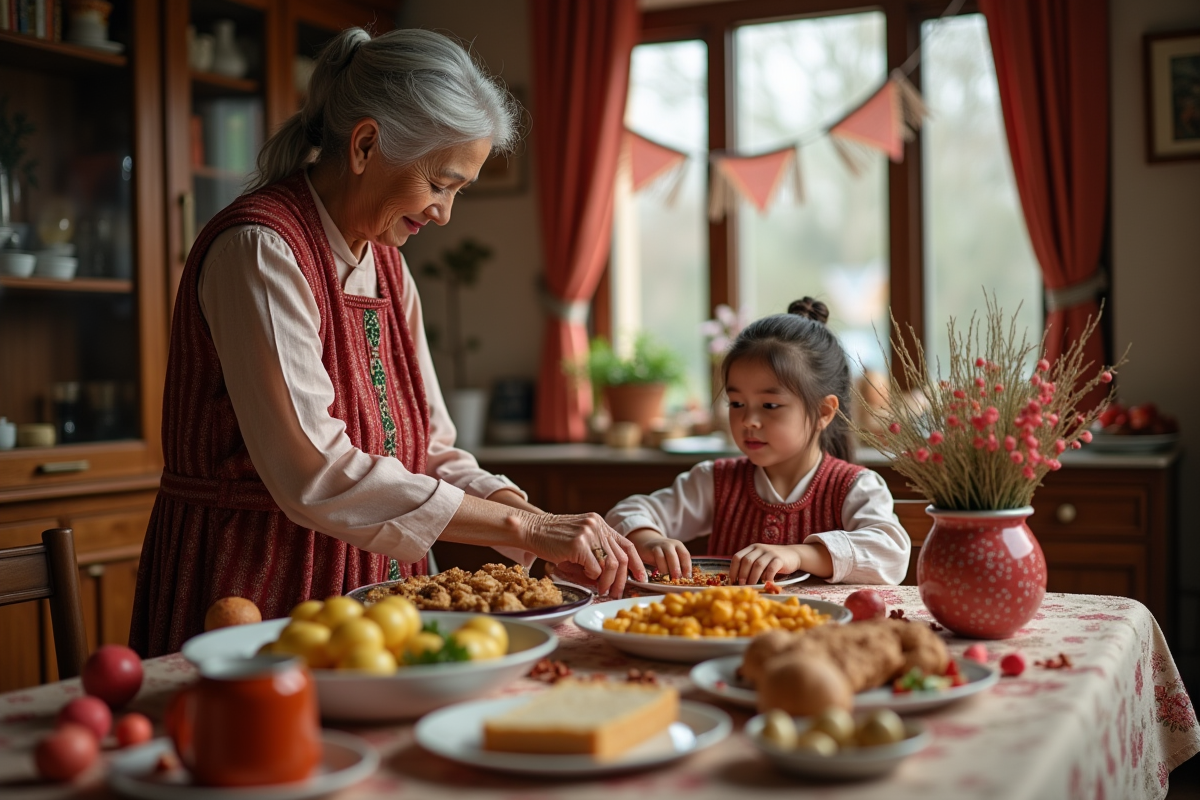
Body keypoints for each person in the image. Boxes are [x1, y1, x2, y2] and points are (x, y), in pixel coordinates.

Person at [131, 28, 641, 657]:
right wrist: (526, 527)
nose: (444, 213)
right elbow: (314, 470)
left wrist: (532, 519)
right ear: (366, 144)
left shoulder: (389, 267)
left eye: (458, 190)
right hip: (249, 584)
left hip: (376, 592)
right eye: (439, 184)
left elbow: (429, 450)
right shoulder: (260, 248)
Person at [606, 298, 910, 587]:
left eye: (769, 406)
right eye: (737, 403)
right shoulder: (713, 482)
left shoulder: (856, 487)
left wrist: (798, 554)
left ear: (823, 412)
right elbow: (625, 514)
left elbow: (891, 553)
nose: (748, 420)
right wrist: (649, 539)